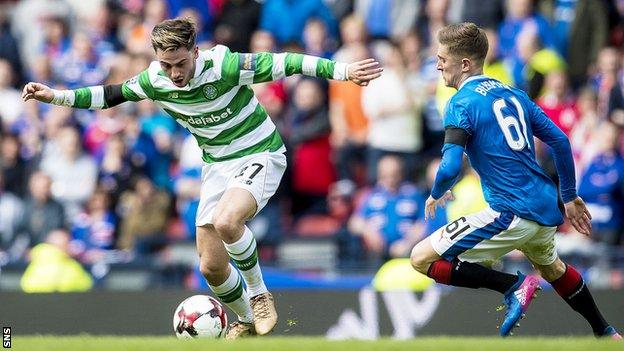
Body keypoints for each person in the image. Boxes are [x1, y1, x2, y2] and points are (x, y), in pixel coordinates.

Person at [21, 17, 382, 339]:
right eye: (167, 65)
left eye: (180, 63)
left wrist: (343, 71)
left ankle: (259, 296)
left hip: (259, 152)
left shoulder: (223, 65)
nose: (175, 73)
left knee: (228, 222)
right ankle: (244, 321)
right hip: (217, 166)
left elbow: (288, 62)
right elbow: (110, 94)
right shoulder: (156, 78)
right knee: (210, 266)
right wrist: (56, 96)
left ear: (196, 51)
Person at [409, 22, 621, 339]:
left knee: (421, 258)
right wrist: (569, 197)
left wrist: (436, 192)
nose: (438, 64)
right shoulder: (513, 93)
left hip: (510, 212)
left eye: (442, 58)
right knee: (554, 269)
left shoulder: (460, 103)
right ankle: (606, 333)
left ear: (464, 64)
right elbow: (561, 141)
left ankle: (513, 285)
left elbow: (451, 166)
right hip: (545, 208)